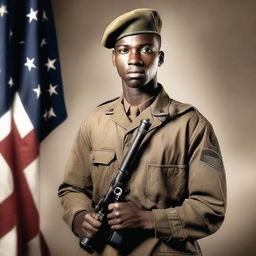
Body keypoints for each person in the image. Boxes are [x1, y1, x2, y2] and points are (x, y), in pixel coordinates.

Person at [58, 8, 226, 256]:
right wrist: (80, 216)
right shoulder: (94, 122)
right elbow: (72, 189)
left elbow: (211, 208)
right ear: (114, 59)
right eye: (124, 50)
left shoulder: (192, 125)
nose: (134, 59)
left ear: (160, 58)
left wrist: (149, 220)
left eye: (145, 49)